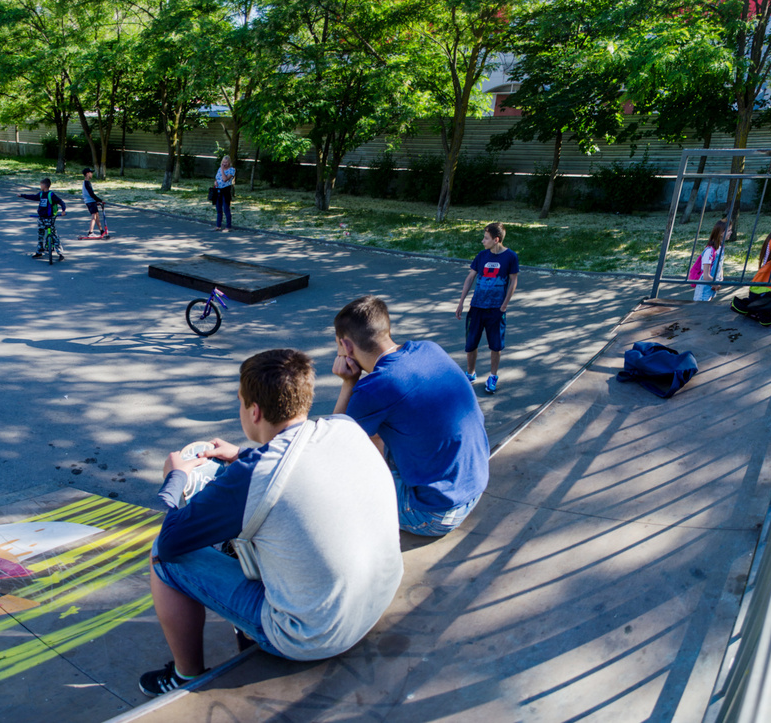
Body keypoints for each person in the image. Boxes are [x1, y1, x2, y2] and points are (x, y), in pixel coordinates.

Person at [140, 349, 403, 696]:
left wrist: (174, 478)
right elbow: (294, 458)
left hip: (313, 635)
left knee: (161, 556)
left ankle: (186, 675)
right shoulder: (345, 428)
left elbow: (173, 541)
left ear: (254, 410)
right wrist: (240, 455)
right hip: (378, 595)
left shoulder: (252, 476)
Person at [333, 295, 488, 537]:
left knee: (341, 480)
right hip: (474, 484)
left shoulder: (374, 388)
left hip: (434, 515)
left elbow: (334, 443)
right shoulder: (429, 348)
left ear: (346, 346)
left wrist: (348, 384)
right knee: (381, 431)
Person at [455, 222, 519, 393]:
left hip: (496, 310)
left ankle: (492, 376)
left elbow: (513, 281)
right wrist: (461, 302)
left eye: (486, 238)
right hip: (476, 308)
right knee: (471, 344)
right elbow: (470, 278)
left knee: (495, 346)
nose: (483, 241)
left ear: (496, 239)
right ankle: (470, 374)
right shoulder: (482, 256)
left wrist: (504, 304)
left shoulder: (510, 257)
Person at [17, 178, 67, 259]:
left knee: (54, 234)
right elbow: (33, 197)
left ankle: (60, 253)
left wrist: (63, 210)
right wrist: (23, 195)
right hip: (41, 218)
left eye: (41, 184)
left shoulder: (51, 195)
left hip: (50, 218)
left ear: (45, 185)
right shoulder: (41, 194)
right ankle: (39, 251)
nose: (40, 186)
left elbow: (61, 202)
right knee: (41, 235)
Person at [691, 219, 728, 302]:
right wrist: (715, 283)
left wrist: (720, 279)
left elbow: (720, 265)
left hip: (712, 285)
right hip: (704, 288)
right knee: (700, 311)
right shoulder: (709, 251)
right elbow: (705, 275)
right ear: (722, 233)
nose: (731, 232)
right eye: (729, 230)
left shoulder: (721, 248)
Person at [80, 167, 107, 239]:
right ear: (87, 174)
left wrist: (96, 202)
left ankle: (101, 231)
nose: (92, 174)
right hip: (90, 201)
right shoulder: (87, 183)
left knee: (97, 216)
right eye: (91, 173)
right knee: (94, 217)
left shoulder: (86, 183)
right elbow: (91, 194)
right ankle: (90, 232)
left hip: (91, 201)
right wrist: (100, 200)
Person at [212, 156, 236, 232]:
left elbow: (225, 179)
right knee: (218, 209)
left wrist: (222, 170)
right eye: (223, 162)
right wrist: (215, 182)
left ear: (229, 163)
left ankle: (228, 226)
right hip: (218, 190)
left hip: (225, 190)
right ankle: (218, 225)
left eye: (226, 162)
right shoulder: (219, 169)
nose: (224, 164)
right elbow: (217, 178)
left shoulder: (232, 170)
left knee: (226, 209)